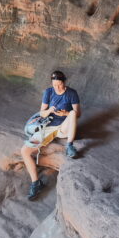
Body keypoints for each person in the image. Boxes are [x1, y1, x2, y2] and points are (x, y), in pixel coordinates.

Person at [21, 70, 81, 200]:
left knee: (72, 113)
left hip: (64, 127)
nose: (57, 88)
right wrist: (49, 110)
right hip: (47, 128)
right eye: (55, 85)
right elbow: (41, 113)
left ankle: (70, 146)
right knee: (25, 151)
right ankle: (36, 183)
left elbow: (78, 114)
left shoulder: (72, 93)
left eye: (59, 85)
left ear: (64, 82)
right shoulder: (48, 92)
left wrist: (65, 113)